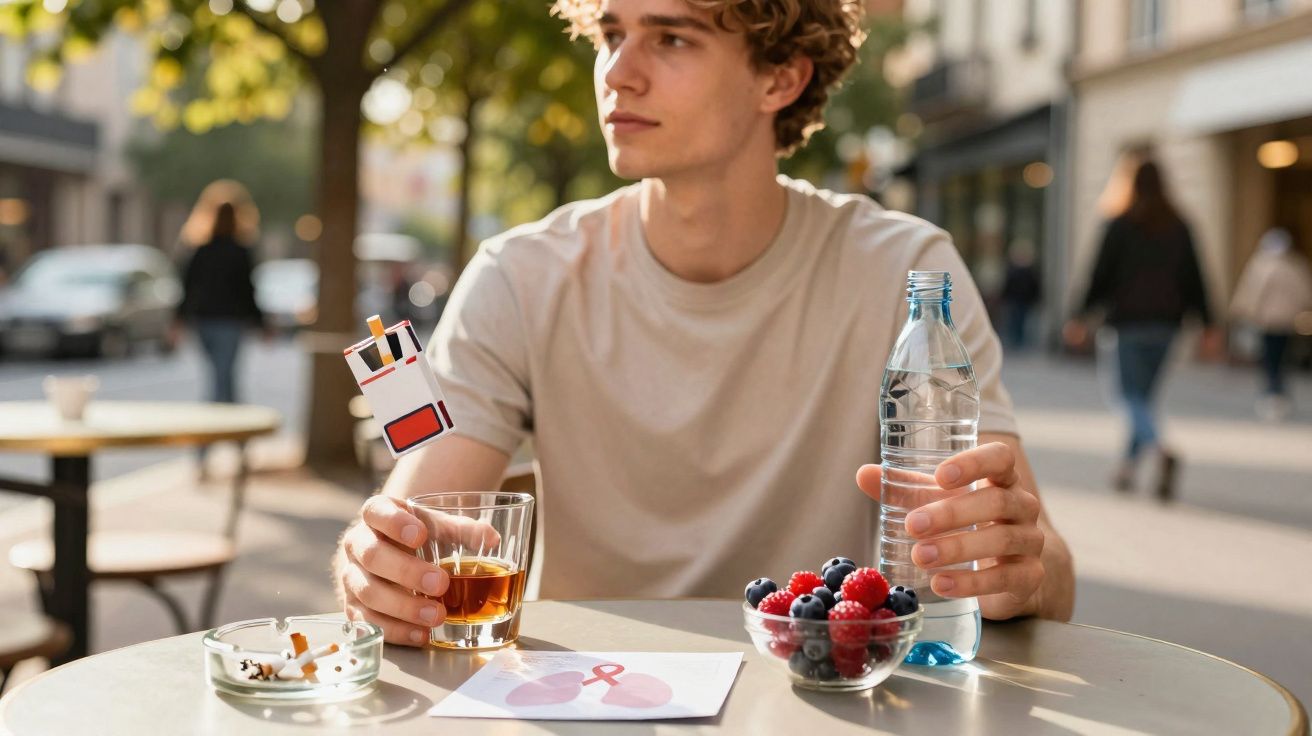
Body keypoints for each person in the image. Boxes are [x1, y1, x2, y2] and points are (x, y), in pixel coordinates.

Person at [334, 0, 1075, 646]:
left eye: (672, 38)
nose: (618, 72)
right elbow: (419, 517)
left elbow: (1046, 573)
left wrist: (1018, 570)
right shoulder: (519, 275)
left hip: (820, 698)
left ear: (781, 77)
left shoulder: (910, 275)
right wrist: (385, 564)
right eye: (611, 34)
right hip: (589, 701)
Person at [1066, 155, 1217, 501]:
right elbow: (1196, 278)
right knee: (1144, 399)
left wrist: (1079, 316)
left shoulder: (1119, 223)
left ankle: (1158, 447)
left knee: (1127, 396)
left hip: (1127, 324)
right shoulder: (1179, 224)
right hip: (1167, 326)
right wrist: (1209, 323)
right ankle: (1127, 468)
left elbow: (1098, 275)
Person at [174, 181, 269, 405]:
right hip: (229, 321)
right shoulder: (240, 251)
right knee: (224, 376)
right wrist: (261, 323)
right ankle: (226, 429)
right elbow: (248, 290)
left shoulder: (200, 250)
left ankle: (226, 431)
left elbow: (187, 287)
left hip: (204, 319)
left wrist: (178, 319)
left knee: (218, 375)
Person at [1230, 227, 1312, 421]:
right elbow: (1306, 294)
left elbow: (1252, 293)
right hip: (1287, 321)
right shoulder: (1296, 267)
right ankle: (1278, 393)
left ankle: (1272, 393)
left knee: (1269, 359)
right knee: (1282, 358)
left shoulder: (1262, 265)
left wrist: (1241, 312)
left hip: (1267, 321)